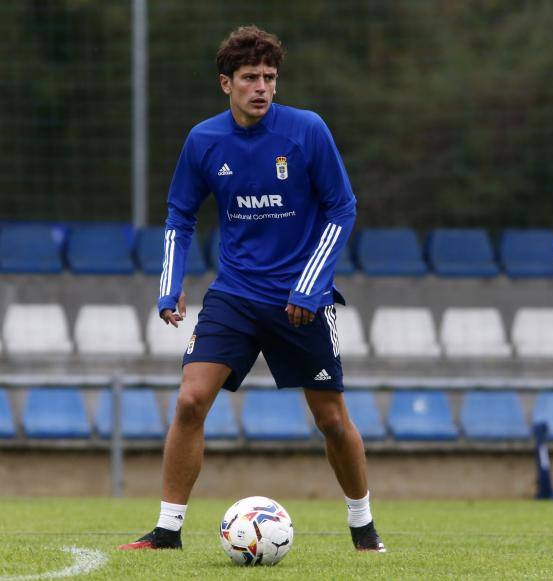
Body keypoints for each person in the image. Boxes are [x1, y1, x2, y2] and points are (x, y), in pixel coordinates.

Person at [119, 25, 384, 552]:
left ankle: (363, 525)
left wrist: (311, 287)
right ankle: (167, 531)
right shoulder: (204, 140)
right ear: (226, 84)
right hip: (235, 294)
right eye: (249, 78)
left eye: (269, 77)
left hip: (300, 301)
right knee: (191, 401)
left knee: (331, 420)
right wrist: (170, 284)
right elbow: (179, 214)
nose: (262, 87)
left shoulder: (307, 131)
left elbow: (342, 207)